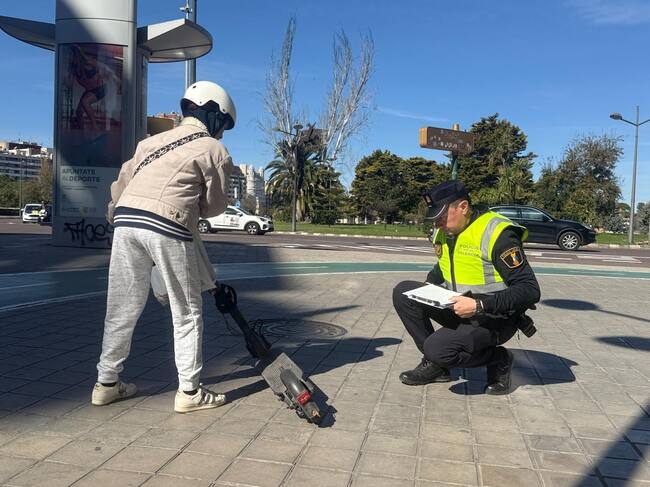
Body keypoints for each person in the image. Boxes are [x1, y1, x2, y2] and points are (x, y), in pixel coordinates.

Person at [92, 81, 236, 412]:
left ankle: (106, 384)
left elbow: (122, 183)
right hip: (168, 223)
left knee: (121, 307)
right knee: (186, 311)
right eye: (223, 125)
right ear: (214, 114)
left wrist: (118, 214)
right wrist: (195, 207)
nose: (222, 133)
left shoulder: (149, 143)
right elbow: (216, 205)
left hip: (126, 220)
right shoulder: (213, 149)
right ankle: (189, 393)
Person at [392, 180, 540, 394]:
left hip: (494, 317)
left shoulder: (496, 232)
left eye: (441, 216)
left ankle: (498, 359)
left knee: (437, 348)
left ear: (463, 207)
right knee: (403, 292)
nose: (437, 224)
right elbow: (443, 266)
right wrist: (428, 288)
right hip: (461, 308)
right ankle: (437, 365)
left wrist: (479, 305)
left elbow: (530, 289)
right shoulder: (446, 230)